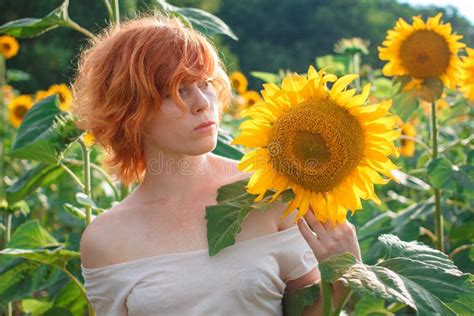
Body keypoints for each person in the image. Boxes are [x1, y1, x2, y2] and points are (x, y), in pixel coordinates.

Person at [73, 13, 361, 316]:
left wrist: (343, 277)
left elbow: (307, 310)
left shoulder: (266, 192)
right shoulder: (106, 239)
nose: (202, 102)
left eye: (205, 82)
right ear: (130, 110)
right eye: (177, 91)